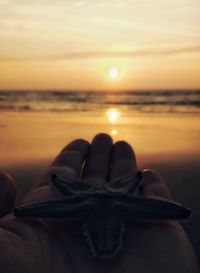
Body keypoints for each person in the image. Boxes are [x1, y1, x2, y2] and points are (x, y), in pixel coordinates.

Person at [0, 133, 199, 273]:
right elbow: (136, 185)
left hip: (92, 196)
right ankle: (105, 249)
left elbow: (59, 193)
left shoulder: (84, 194)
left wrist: (23, 211)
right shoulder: (117, 194)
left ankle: (105, 249)